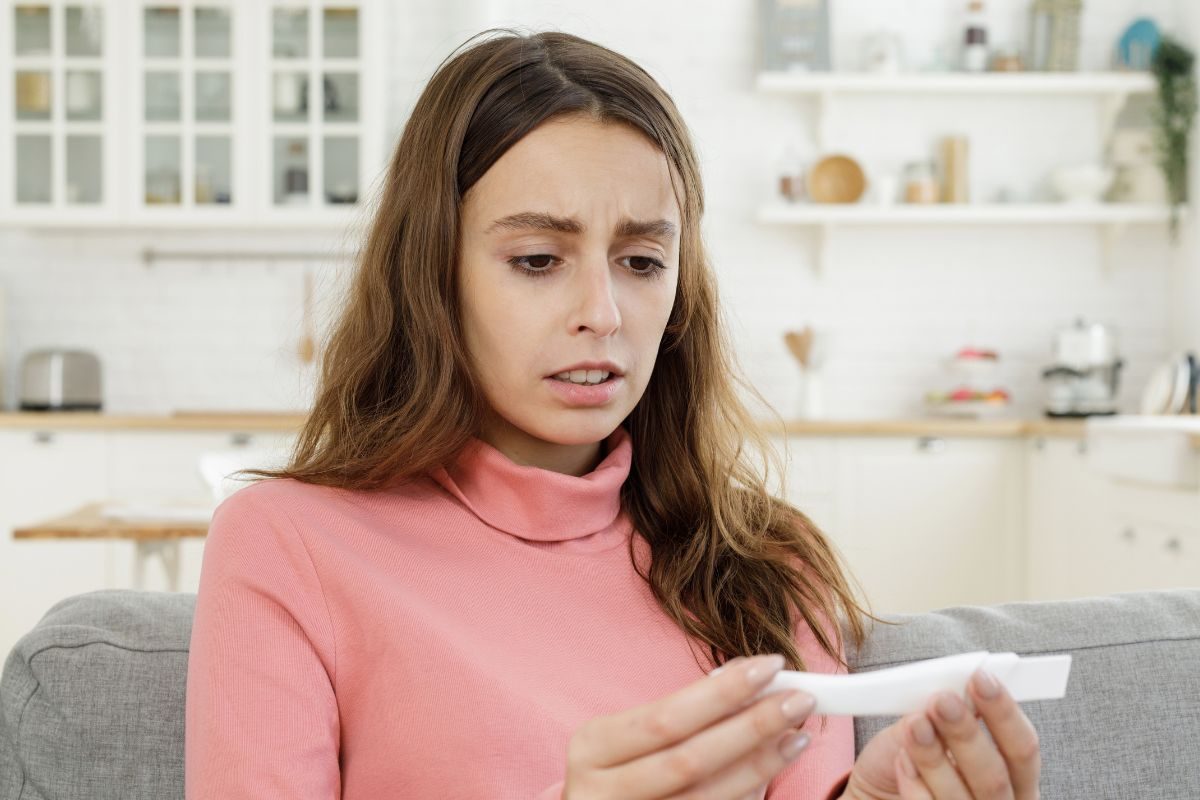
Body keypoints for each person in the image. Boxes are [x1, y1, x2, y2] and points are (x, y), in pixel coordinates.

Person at [184, 28, 1043, 800]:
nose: (602, 312)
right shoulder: (286, 545)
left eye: (640, 261)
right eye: (537, 259)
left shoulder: (767, 565)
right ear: (432, 275)